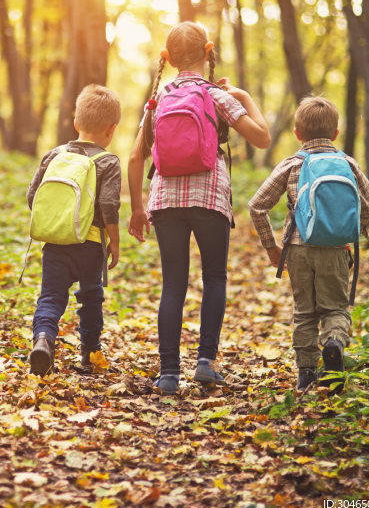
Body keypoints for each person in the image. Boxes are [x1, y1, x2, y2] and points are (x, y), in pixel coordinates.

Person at [127, 21, 271, 396]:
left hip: (165, 200)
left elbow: (134, 157)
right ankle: (206, 361)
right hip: (209, 195)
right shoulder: (216, 95)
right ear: (209, 51)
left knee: (173, 283)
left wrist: (138, 209)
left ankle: (169, 373)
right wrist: (243, 96)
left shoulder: (158, 100)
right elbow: (262, 138)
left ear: (167, 58)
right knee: (215, 278)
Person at [248, 96, 369, 392]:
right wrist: (358, 231)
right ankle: (333, 343)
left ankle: (306, 373)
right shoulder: (348, 164)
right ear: (335, 134)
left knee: (305, 311)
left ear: (296, 133)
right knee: (335, 308)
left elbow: (257, 206)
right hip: (336, 250)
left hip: (298, 249)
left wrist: (271, 246)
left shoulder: (291, 164)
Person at [27, 85, 122, 376]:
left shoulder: (54, 155)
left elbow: (33, 196)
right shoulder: (108, 161)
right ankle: (89, 353)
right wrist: (115, 243)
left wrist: (57, 221)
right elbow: (108, 206)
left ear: (76, 123)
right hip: (90, 244)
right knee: (90, 296)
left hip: (54, 243)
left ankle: (43, 339)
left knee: (51, 296)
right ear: (112, 129)